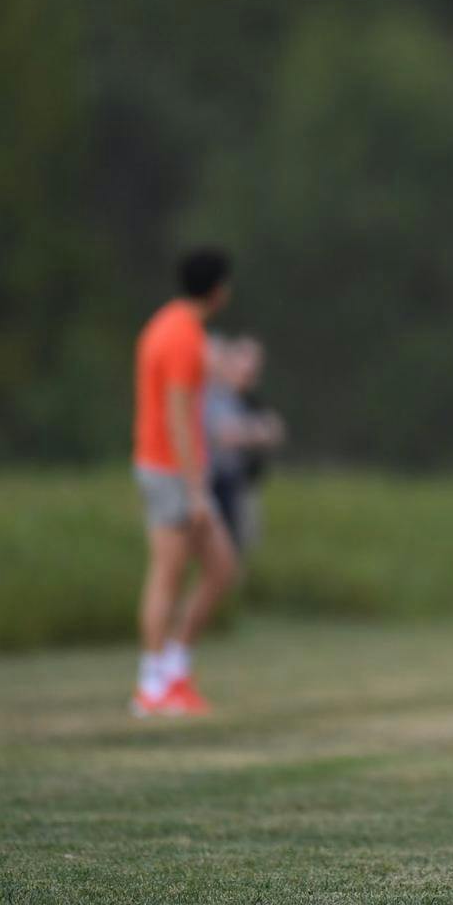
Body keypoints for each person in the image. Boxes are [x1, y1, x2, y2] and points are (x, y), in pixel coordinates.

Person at [132, 249, 239, 718]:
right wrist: (195, 489)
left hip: (179, 468)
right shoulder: (181, 338)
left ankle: (175, 667)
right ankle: (151, 684)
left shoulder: (172, 323)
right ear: (218, 290)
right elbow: (177, 416)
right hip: (170, 470)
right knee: (167, 576)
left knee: (221, 568)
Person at [206, 335, 285, 556]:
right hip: (217, 482)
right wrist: (255, 432)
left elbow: (275, 429)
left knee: (238, 547)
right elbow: (224, 433)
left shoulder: (242, 396)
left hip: (240, 482)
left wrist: (252, 431)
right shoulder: (211, 394)